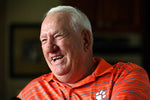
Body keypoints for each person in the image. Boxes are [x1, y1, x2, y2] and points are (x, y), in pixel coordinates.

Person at [17, 6, 150, 100]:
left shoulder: (125, 76)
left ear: (85, 40)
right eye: (44, 40)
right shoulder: (33, 90)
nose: (50, 49)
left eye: (58, 36)